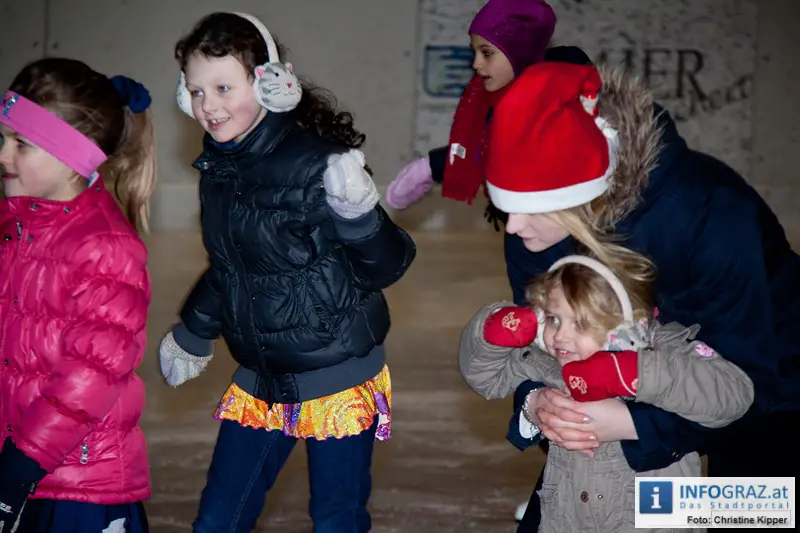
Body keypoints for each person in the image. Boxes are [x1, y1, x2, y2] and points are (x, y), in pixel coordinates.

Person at [475, 60, 800, 532]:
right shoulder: (534, 227)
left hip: (770, 387)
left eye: (527, 210)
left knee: (748, 516)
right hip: (630, 388)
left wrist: (635, 426)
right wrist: (539, 403)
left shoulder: (708, 214)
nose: (513, 226)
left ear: (578, 195)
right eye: (506, 207)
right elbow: (545, 354)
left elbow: (744, 389)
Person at [160, 12, 416, 533]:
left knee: (335, 519)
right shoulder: (219, 171)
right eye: (197, 91)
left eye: (223, 87)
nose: (209, 105)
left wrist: (360, 212)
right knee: (218, 519)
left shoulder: (319, 164)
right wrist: (193, 331)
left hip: (336, 373)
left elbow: (386, 266)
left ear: (271, 83)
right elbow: (232, 267)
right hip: (260, 374)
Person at [459, 253, 754, 532]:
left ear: (627, 324)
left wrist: (635, 373)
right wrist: (491, 329)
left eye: (581, 323)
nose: (560, 336)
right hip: (565, 519)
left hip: (656, 518)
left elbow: (733, 393)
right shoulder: (552, 361)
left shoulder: (663, 349)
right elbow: (485, 378)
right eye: (553, 319)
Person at [0, 58, 155, 533]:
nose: (4, 155)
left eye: (21, 144)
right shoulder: (18, 228)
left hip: (80, 487)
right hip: (24, 470)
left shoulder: (104, 247)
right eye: (2, 139)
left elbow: (90, 375)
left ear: (71, 154)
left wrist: (23, 462)